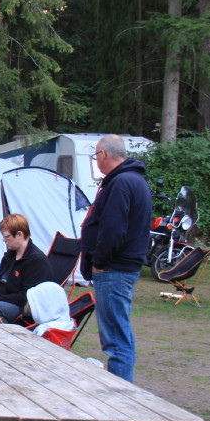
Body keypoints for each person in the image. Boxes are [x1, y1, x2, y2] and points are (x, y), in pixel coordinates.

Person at [80, 134, 151, 382]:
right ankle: (124, 387)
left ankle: (121, 394)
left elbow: (113, 229)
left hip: (114, 269)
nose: (96, 160)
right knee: (119, 331)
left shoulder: (121, 182)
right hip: (121, 267)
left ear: (104, 155)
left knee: (115, 338)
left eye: (96, 156)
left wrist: (99, 262)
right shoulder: (133, 180)